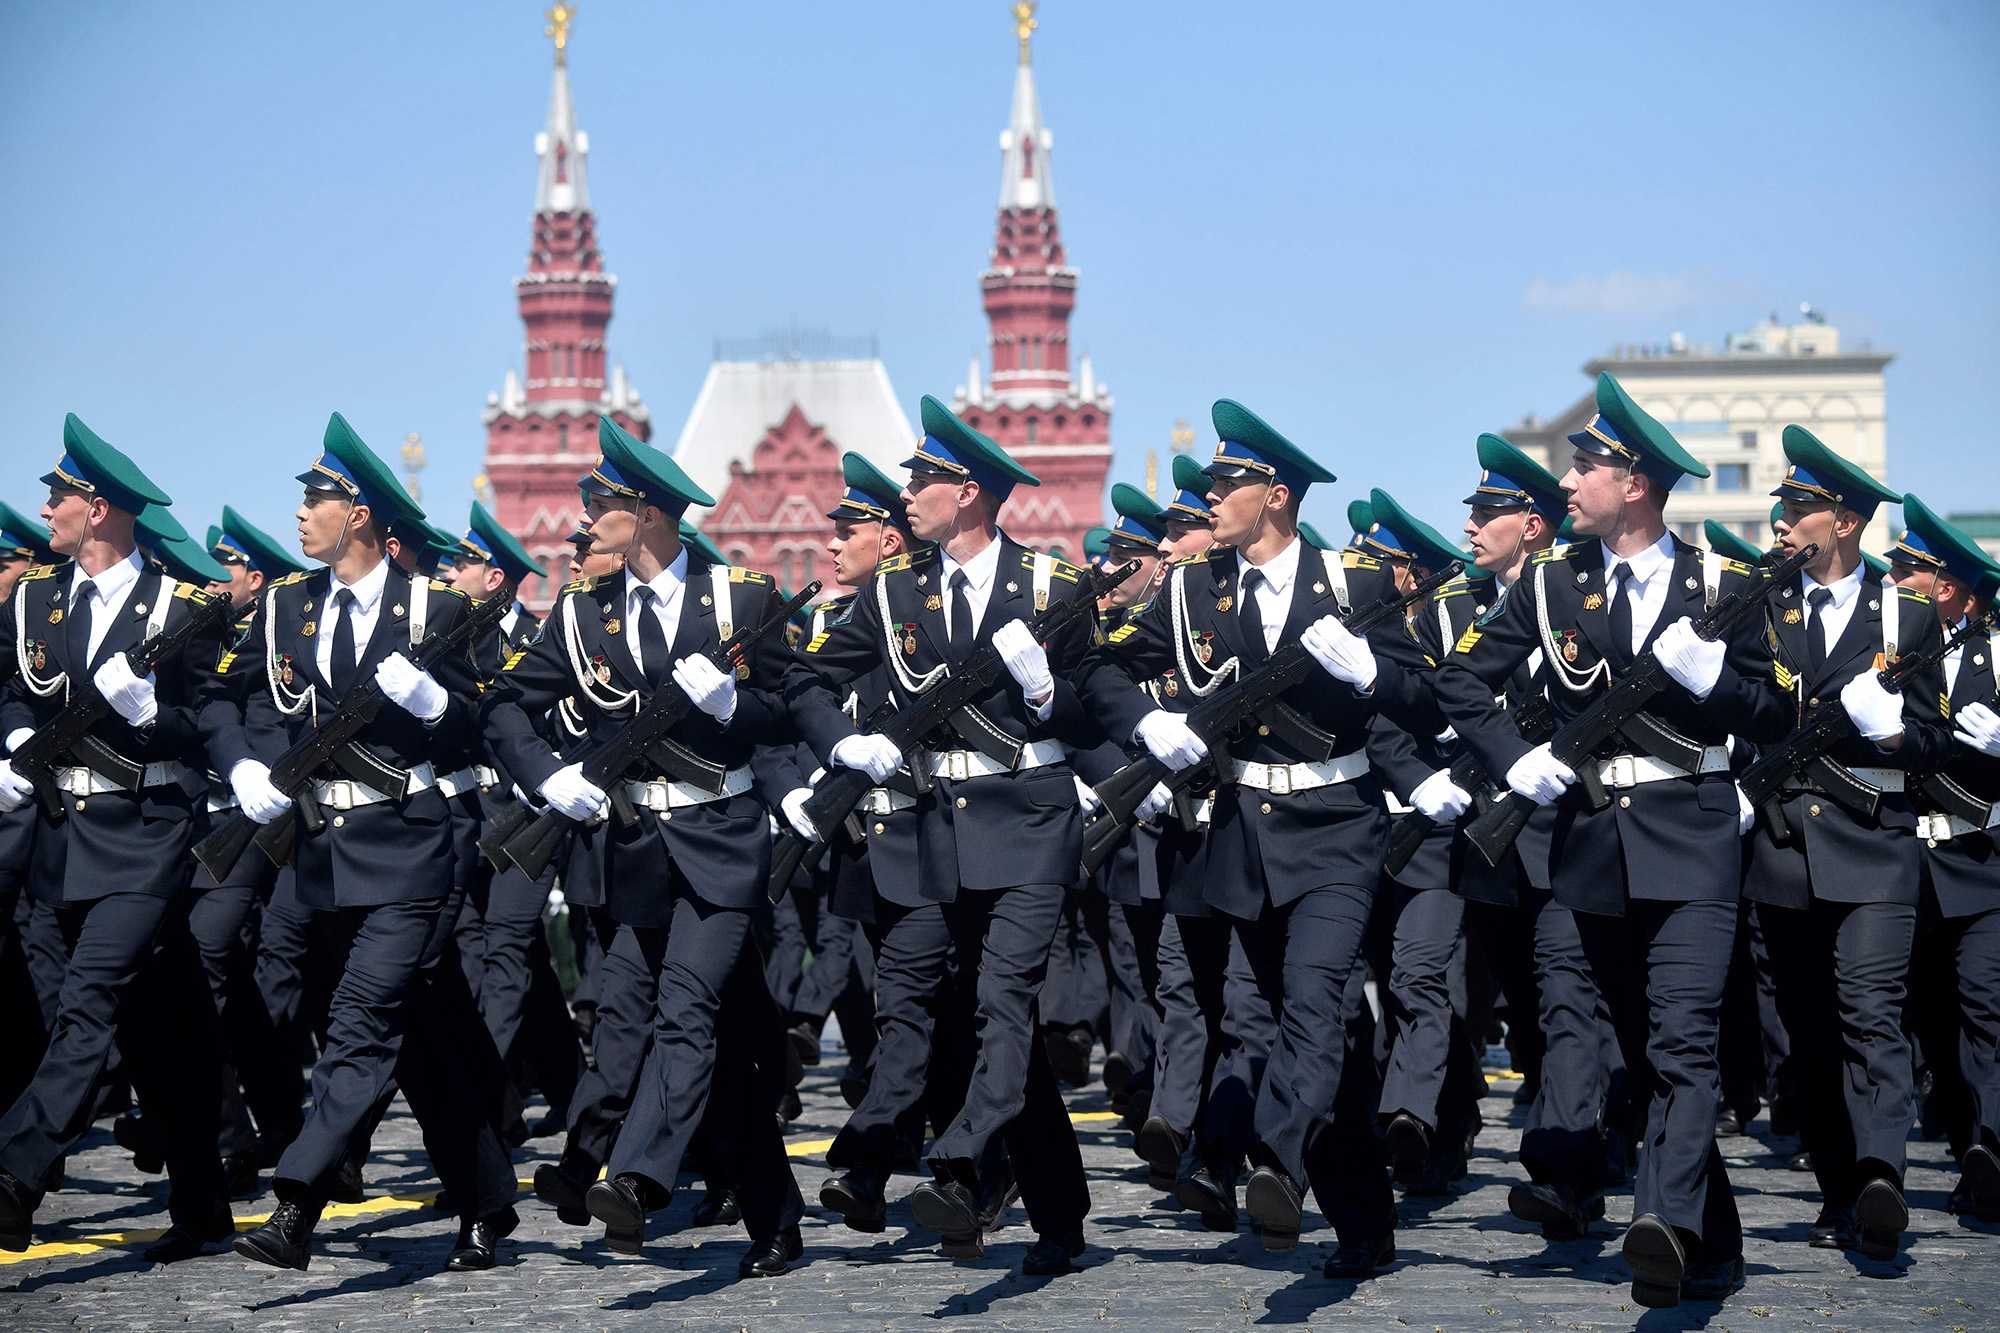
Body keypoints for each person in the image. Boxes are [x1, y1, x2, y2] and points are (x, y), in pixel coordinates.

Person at [1431, 373, 1792, 1307]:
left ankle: (1659, 1221)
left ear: (1635, 483)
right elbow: (1464, 682)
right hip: (1591, 842)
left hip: (1696, 836)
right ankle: (1713, 1236)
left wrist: (1717, 681)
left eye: (1587, 466)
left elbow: (1779, 714)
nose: (1572, 483)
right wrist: (1515, 759)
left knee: (1683, 1044)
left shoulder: (1724, 584)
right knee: (1640, 1046)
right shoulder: (1554, 585)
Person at [1079, 398, 1436, 1277]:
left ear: (1274, 496)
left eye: (1226, 486)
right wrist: (1144, 727)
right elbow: (1101, 662)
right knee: (1295, 1022)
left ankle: (1276, 1158)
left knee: (1315, 1000)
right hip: (1245, 830)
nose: (1209, 501)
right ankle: (1365, 1224)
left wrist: (1378, 673)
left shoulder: (1353, 585)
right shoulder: (1199, 586)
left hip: (1340, 829)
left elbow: (1432, 700)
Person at [483, 415, 805, 1275]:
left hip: (722, 840)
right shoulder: (585, 612)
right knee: (702, 1039)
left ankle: (637, 1176)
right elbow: (506, 702)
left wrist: (739, 708)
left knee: (688, 1009)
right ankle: (777, 1218)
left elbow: (790, 713)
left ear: (650, 514)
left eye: (601, 502)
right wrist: (546, 775)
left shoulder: (741, 598)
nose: (584, 519)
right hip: (635, 851)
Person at [789, 395, 1096, 1274]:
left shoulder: (1051, 587)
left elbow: (1102, 703)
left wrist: (1048, 698)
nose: (908, 492)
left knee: (1004, 1002)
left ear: (968, 493)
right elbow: (810, 677)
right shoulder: (893, 593)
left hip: (1031, 822)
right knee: (920, 1002)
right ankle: (1047, 1206)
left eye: (922, 479)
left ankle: (961, 1162)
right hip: (931, 832)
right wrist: (841, 740)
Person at [221, 412, 520, 1273]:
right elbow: (229, 703)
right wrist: (244, 763)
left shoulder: (439, 610)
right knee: (421, 1043)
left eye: (316, 500)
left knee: (357, 1024)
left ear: (359, 515)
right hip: (319, 859)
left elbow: (491, 723)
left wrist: (438, 708)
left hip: (412, 850)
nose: (302, 513)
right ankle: (485, 1205)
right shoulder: (286, 607)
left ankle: (295, 1205)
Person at [0, 414, 232, 1261]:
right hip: (62, 839)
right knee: (157, 1026)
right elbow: (14, 690)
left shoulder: (178, 606)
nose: (48, 507)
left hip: (146, 835)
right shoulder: (36, 596)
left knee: (87, 1002)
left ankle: (14, 1176)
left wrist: (154, 718)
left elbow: (211, 720)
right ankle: (203, 1204)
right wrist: (14, 745)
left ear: (97, 509)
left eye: (59, 494)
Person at [1744, 429, 1951, 1265]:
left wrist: (1895, 733)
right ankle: (1838, 1182)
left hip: (1875, 847)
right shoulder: (1765, 603)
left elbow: (1939, 742)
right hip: (1787, 848)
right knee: (1810, 1028)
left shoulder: (1906, 613)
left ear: (1846, 520)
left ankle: (1881, 1177)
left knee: (1871, 1013)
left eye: (1799, 510)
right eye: (1783, 507)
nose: (1784, 523)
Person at [1353, 487, 1490, 1197]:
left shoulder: (1456, 620)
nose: (1362, 573)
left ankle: (1410, 1114)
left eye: (1377, 562)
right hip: (1372, 828)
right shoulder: (1358, 628)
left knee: (1420, 974)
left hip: (1439, 827)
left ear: (1407, 572)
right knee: (1391, 980)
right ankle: (1443, 1114)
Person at [443, 502, 583, 1142]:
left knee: (503, 949)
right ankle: (572, 1088)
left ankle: (485, 1111)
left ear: (493, 577)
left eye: (462, 563)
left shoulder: (529, 644)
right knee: (501, 954)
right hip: (476, 815)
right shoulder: (452, 641)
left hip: (527, 816)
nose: (449, 571)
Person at [1887, 496, 2000, 1223]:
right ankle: (1968, 1147)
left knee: (1987, 1008)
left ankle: (1993, 1150)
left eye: (1909, 569)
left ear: (1949, 585)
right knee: (1927, 1018)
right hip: (1908, 859)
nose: (1894, 578)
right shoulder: (1899, 648)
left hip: (1982, 855)